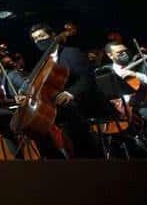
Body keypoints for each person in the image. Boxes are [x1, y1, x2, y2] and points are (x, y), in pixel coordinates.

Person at [25, 23, 98, 157]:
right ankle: (56, 159)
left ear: (53, 36)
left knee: (66, 112)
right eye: (35, 39)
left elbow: (87, 79)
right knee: (35, 122)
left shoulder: (71, 53)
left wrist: (70, 93)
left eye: (41, 36)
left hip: (80, 101)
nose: (39, 41)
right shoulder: (44, 62)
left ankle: (86, 154)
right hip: (58, 105)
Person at [103, 40, 147, 156]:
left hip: (144, 106)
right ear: (110, 55)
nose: (124, 54)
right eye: (119, 53)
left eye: (125, 51)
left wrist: (140, 76)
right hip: (118, 109)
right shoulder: (105, 70)